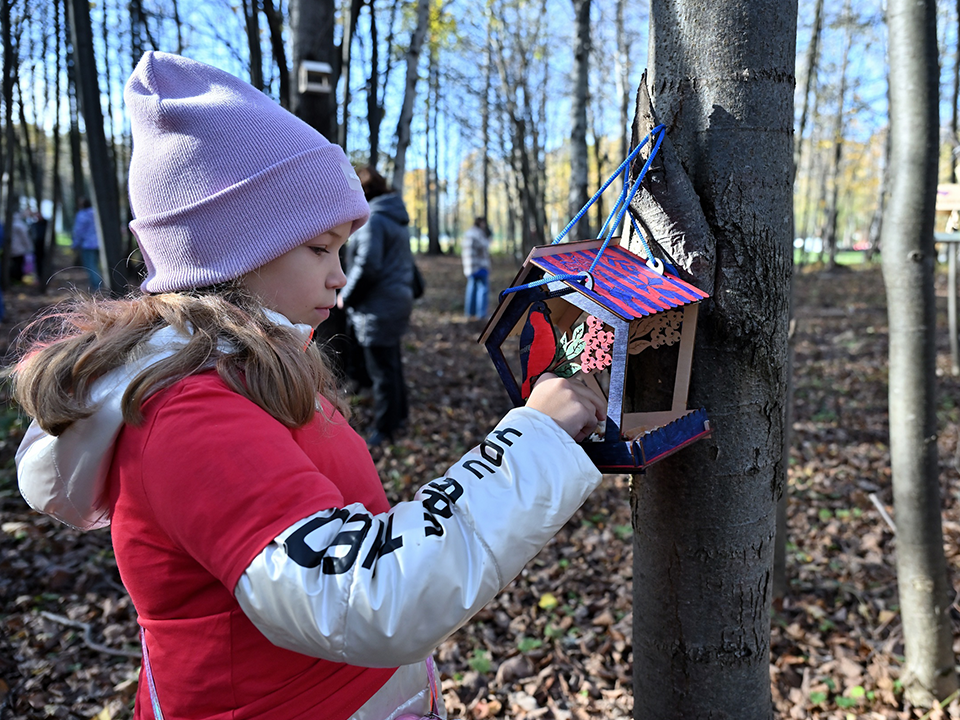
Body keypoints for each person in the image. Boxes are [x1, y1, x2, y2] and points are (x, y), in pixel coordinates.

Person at [11, 52, 606, 720]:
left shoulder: (247, 374)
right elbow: (364, 594)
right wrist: (533, 441)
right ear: (236, 251)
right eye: (321, 248)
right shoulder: (189, 413)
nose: (338, 276)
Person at [339, 165, 416, 447]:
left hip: (379, 306)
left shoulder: (374, 221)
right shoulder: (394, 219)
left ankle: (385, 428)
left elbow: (368, 265)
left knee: (382, 371)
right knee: (391, 363)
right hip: (396, 301)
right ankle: (400, 415)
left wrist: (345, 296)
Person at [461, 216, 492, 320]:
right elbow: (485, 246)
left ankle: (469, 313)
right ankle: (481, 314)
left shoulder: (468, 234)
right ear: (480, 223)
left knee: (471, 290)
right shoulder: (477, 234)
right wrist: (489, 237)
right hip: (479, 266)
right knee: (482, 290)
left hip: (469, 267)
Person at [72, 198, 103, 291]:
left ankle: (97, 287)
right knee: (96, 265)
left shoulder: (82, 215)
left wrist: (75, 244)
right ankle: (100, 284)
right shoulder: (97, 213)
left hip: (87, 245)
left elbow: (78, 231)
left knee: (91, 266)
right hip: (100, 244)